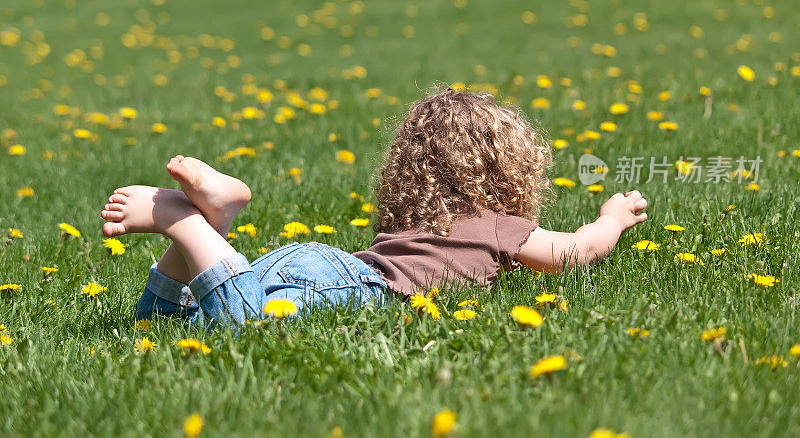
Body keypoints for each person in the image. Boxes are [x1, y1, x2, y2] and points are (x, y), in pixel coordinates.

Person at [100, 88, 647, 328]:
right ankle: (190, 223)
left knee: (171, 325)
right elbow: (578, 254)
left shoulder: (415, 219)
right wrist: (613, 218)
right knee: (242, 328)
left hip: (319, 266)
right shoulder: (498, 226)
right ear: (506, 170)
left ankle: (214, 222)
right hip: (353, 289)